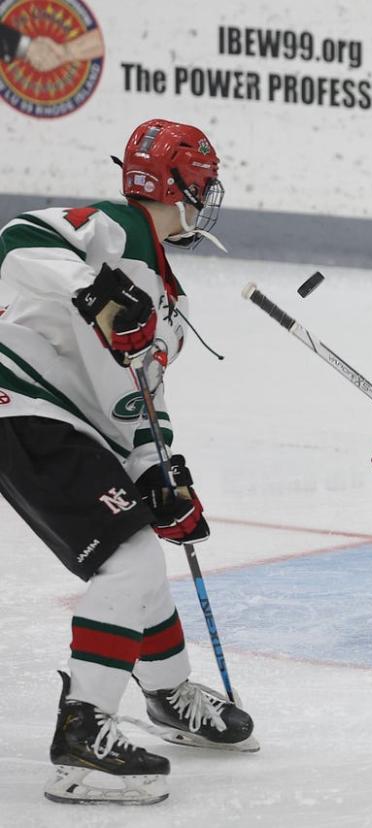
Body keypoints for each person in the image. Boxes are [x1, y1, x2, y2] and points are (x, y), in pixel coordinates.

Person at [0, 119, 251, 805]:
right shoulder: (115, 230)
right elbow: (17, 241)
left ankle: (167, 694)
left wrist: (159, 474)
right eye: (204, 182)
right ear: (187, 185)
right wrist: (98, 293)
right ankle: (83, 739)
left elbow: (139, 398)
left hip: (58, 416)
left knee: (140, 549)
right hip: (19, 398)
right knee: (130, 559)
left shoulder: (167, 296)